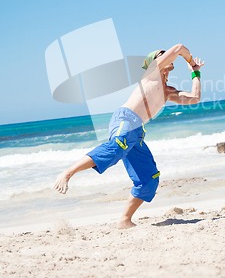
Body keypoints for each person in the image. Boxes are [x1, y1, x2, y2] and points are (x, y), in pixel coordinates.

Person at [54, 44, 204, 228]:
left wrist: (195, 73)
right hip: (125, 119)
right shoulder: (151, 74)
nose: (165, 56)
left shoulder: (168, 91)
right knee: (117, 146)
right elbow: (179, 47)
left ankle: (124, 220)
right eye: (160, 55)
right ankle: (68, 173)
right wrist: (189, 59)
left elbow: (195, 98)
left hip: (137, 131)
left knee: (149, 178)